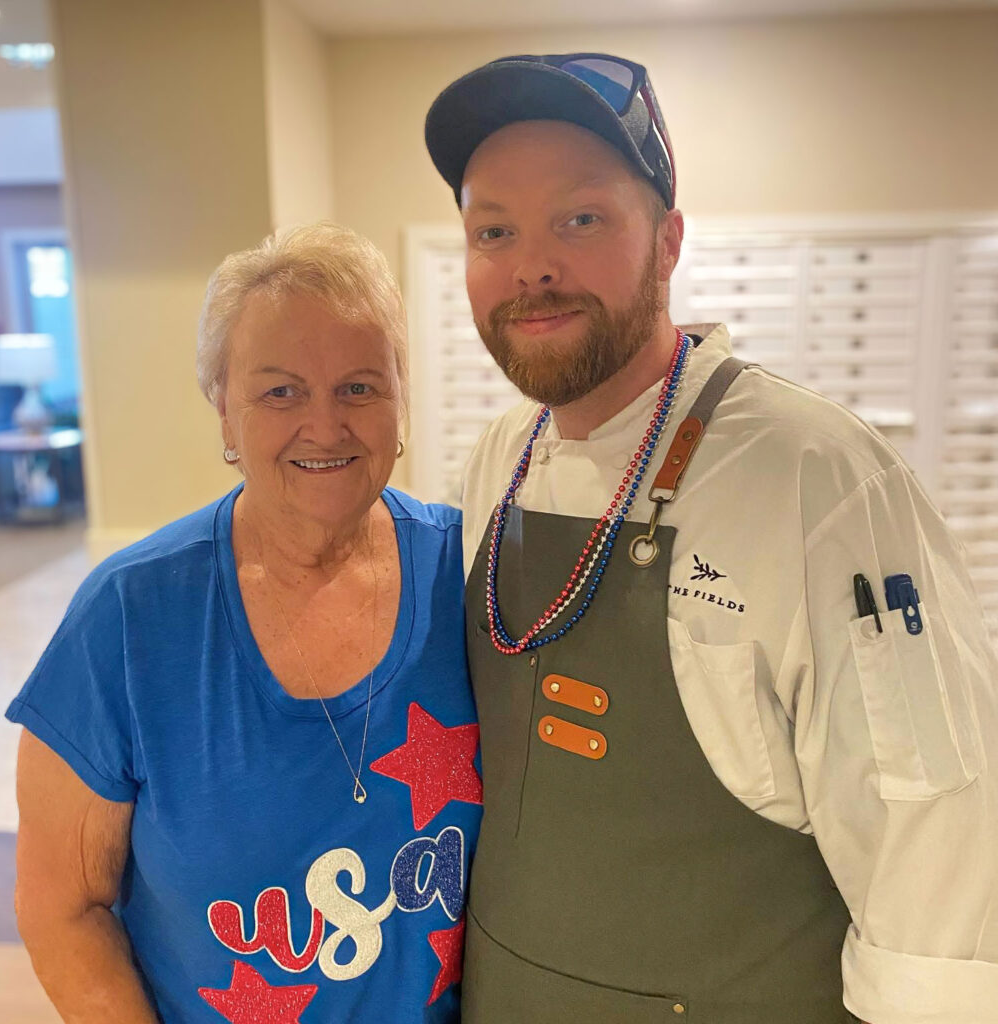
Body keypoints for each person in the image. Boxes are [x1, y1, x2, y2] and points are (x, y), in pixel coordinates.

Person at [424, 53, 998, 1023]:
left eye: (581, 218)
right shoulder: (494, 461)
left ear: (668, 240)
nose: (533, 265)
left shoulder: (813, 474)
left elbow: (940, 833)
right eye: (493, 230)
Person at [6, 223, 482, 1023]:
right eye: (280, 391)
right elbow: (62, 906)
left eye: (360, 386)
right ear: (224, 411)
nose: (326, 426)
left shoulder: (468, 574)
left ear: (402, 397)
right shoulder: (129, 617)